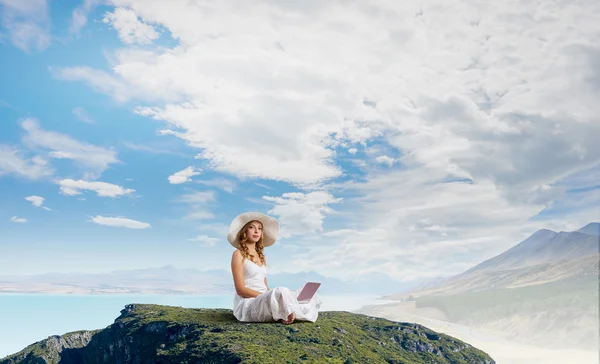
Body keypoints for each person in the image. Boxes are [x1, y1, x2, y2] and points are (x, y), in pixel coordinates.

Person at [229, 212, 322, 324]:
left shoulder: (260, 257)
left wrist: (272, 296)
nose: (256, 231)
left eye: (259, 228)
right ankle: (287, 310)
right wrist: (271, 296)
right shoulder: (238, 254)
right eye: (251, 227)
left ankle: (288, 308)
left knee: (306, 290)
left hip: (264, 299)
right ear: (244, 231)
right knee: (280, 291)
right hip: (249, 303)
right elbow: (240, 290)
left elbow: (265, 287)